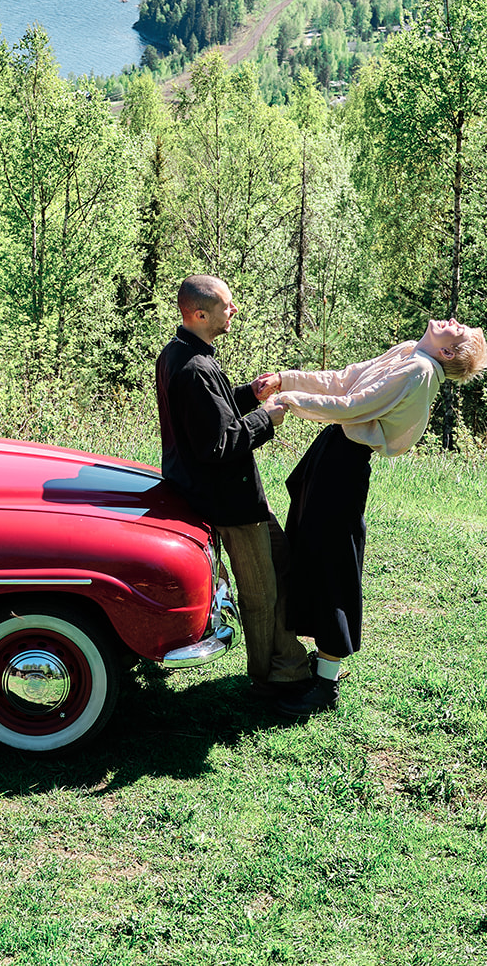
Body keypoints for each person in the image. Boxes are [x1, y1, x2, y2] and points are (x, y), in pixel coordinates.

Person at [255, 317, 487, 717]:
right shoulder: (408, 352)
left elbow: (353, 406)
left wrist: (291, 400)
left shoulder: (418, 370)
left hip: (344, 465)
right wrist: (285, 378)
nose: (453, 321)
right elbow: (346, 379)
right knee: (310, 551)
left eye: (458, 329)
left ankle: (324, 687)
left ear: (447, 352)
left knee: (333, 564)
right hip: (332, 452)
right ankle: (316, 665)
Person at [155, 275, 312, 701]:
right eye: (228, 305)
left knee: (280, 565)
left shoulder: (182, 354)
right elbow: (218, 444)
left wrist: (249, 394)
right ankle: (271, 679)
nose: (234, 310)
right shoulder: (192, 368)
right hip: (228, 499)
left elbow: (212, 414)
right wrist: (268, 418)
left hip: (232, 493)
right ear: (199, 314)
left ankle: (289, 660)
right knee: (260, 591)